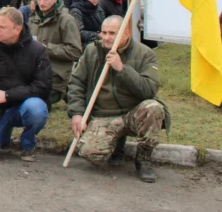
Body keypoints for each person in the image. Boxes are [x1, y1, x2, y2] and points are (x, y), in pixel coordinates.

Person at [68, 16, 168, 183]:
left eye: (113, 33)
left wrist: (122, 68)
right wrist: (77, 113)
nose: (107, 37)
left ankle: (144, 158)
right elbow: (76, 83)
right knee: (90, 153)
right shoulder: (92, 51)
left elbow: (149, 89)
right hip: (104, 115)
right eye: (104, 33)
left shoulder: (145, 54)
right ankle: (116, 144)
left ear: (126, 33)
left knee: (154, 108)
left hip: (133, 113)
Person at [0, 7, 52, 162]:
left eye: (2, 27)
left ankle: (27, 144)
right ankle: (3, 136)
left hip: (23, 106)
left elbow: (43, 87)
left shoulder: (37, 50)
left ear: (17, 29)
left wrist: (8, 95)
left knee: (36, 108)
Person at [27, 0, 83, 105]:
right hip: (34, 73)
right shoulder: (33, 19)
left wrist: (47, 49)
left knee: (34, 100)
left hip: (57, 75)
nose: (42, 3)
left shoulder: (66, 20)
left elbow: (76, 51)